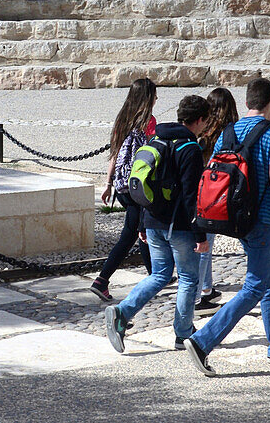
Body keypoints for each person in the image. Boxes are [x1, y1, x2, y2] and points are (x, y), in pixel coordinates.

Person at [184, 77, 270, 376]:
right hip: (262, 220)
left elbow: (211, 172)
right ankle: (202, 341)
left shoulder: (228, 130)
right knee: (254, 286)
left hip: (236, 219)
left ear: (248, 101)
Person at [105, 94, 212, 353]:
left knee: (160, 274)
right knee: (188, 278)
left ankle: (122, 312)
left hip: (152, 221)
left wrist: (142, 224)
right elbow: (191, 196)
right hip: (178, 226)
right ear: (199, 120)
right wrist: (200, 235)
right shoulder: (190, 149)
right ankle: (183, 333)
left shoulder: (156, 139)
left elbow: (143, 183)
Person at [90, 79, 157, 303]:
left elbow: (115, 154)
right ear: (148, 97)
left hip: (122, 187)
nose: (157, 100)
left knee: (140, 231)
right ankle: (102, 280)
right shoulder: (148, 122)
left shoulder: (123, 119)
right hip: (139, 185)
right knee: (134, 234)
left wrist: (108, 184)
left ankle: (155, 276)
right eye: (154, 95)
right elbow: (151, 155)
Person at [194, 87, 239, 316]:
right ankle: (199, 297)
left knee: (206, 244)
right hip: (219, 194)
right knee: (204, 247)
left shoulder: (203, 131)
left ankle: (206, 288)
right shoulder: (229, 133)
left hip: (202, 191)